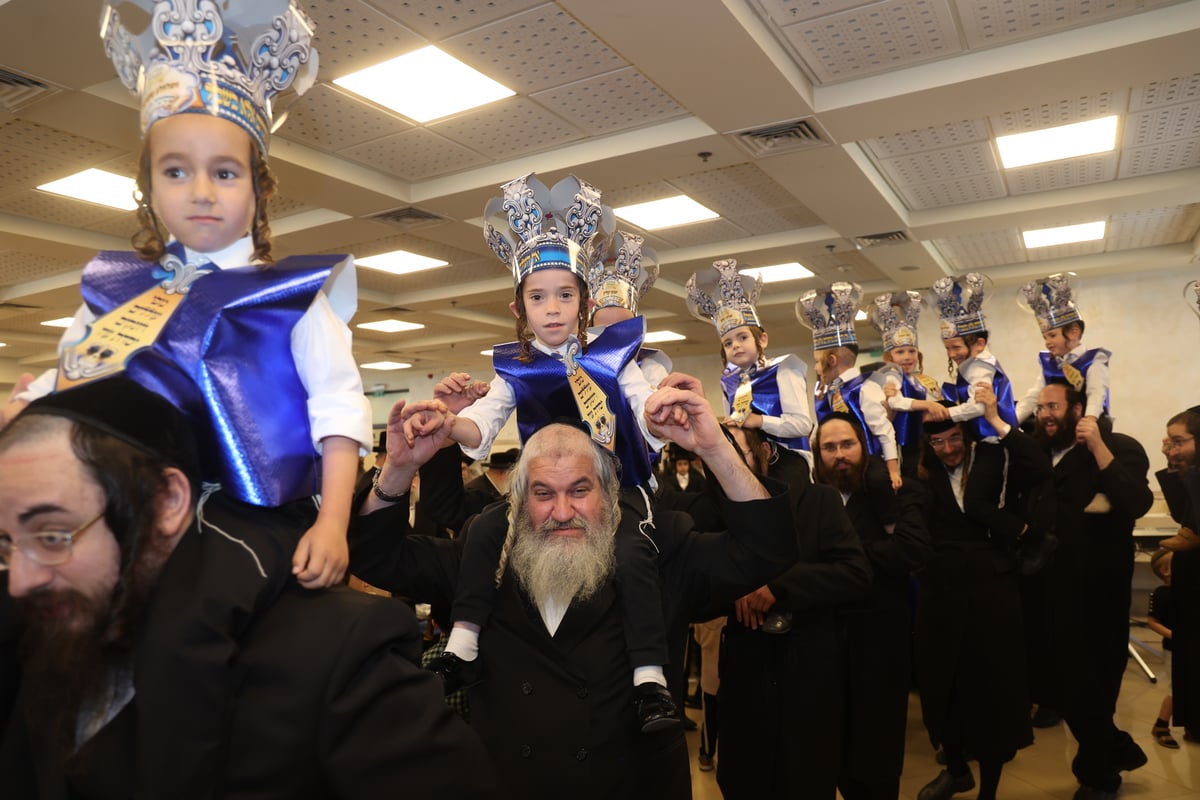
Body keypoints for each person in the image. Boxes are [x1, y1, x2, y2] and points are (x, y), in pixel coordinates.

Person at [1, 5, 373, 798]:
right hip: (140, 504)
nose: (200, 191)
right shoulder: (113, 289)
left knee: (183, 632)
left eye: (224, 171)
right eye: (176, 170)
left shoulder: (292, 296)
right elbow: (67, 376)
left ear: (259, 189)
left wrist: (335, 521)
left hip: (248, 517)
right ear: (147, 188)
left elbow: (339, 413)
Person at [0, 378, 496, 799]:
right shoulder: (49, 629)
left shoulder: (334, 655)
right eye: (6, 543)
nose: (20, 580)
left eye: (52, 536)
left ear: (169, 500)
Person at [349, 381, 798, 800]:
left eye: (579, 490)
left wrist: (714, 448)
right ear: (520, 499)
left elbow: (766, 551)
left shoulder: (659, 547)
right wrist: (398, 469)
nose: (562, 511)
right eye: (543, 493)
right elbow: (379, 558)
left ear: (607, 490)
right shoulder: (484, 556)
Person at [404, 173, 677, 731]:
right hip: (541, 493)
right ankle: (462, 643)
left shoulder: (613, 357)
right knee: (483, 530)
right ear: (518, 306)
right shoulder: (515, 366)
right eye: (538, 296)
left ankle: (650, 680)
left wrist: (660, 411)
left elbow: (643, 403)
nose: (552, 308)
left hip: (616, 490)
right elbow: (484, 424)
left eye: (565, 295)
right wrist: (452, 423)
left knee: (630, 556)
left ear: (583, 301)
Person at [715, 425, 871, 799]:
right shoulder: (719, 507)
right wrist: (735, 585)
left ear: (765, 452)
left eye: (738, 452)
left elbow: (855, 573)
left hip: (808, 676)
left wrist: (778, 588)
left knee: (805, 779)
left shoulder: (819, 501)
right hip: (746, 679)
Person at [912, 385, 1047, 800]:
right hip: (942, 596)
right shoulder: (920, 474)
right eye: (939, 442)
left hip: (993, 593)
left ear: (966, 436)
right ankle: (955, 769)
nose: (949, 448)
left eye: (955, 438)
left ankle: (989, 788)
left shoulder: (993, 455)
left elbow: (1040, 468)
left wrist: (996, 422)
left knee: (994, 692)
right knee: (942, 688)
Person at [1033, 380, 1153, 799]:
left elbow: (1136, 501)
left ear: (1079, 408)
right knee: (1057, 684)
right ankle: (1114, 747)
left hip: (1099, 590)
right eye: (1041, 406)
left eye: (1053, 406)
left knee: (1097, 681)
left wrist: (1099, 447)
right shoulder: (1039, 450)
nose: (1045, 413)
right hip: (1048, 586)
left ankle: (1099, 774)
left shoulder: (1121, 446)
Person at [812, 413, 931, 800]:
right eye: (829, 448)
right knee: (827, 746)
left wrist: (837, 561)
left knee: (876, 754)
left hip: (881, 645)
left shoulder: (898, 492)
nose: (839, 455)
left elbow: (912, 551)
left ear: (864, 447)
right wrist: (870, 556)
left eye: (847, 444)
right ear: (817, 455)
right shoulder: (810, 500)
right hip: (824, 643)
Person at [688, 259, 814, 486]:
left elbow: (803, 425)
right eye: (727, 343)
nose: (735, 345)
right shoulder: (729, 381)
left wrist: (758, 421)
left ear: (762, 340)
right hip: (751, 463)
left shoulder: (784, 370)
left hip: (790, 463)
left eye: (743, 337)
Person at [798, 282, 902, 490]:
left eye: (818, 361)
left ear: (833, 361)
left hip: (869, 469)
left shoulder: (864, 387)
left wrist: (892, 469)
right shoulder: (829, 391)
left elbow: (884, 430)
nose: (816, 368)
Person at [929, 274, 1018, 444]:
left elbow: (979, 406)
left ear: (979, 344)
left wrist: (945, 414)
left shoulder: (980, 366)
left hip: (993, 440)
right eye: (947, 348)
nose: (951, 354)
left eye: (956, 347)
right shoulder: (975, 364)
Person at [867, 291, 950, 474]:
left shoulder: (927, 381)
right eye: (900, 352)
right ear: (889, 357)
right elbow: (897, 402)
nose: (907, 357)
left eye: (911, 351)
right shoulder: (890, 376)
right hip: (904, 451)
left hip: (929, 447)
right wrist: (927, 405)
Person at [1156, 407, 1200, 744]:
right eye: (1170, 442)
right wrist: (1174, 461)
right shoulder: (1191, 475)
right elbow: (1180, 512)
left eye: (1179, 441)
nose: (1173, 448)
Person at [1015, 273, 1111, 425]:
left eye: (1052, 336)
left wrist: (1089, 421)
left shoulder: (1093, 360)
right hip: (1060, 423)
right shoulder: (1049, 363)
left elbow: (1096, 394)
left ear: (1074, 333)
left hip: (1089, 422)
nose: (1047, 343)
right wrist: (1012, 422)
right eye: (1045, 338)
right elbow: (1034, 395)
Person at [587, 230, 672, 388]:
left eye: (624, 328)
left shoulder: (652, 373)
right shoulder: (578, 371)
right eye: (604, 330)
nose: (615, 337)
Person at [1146, 549, 1178, 749]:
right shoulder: (1162, 594)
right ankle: (1161, 725)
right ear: (1165, 570)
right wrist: (1173, 635)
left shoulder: (1190, 590)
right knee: (1177, 688)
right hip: (1175, 648)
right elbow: (1152, 621)